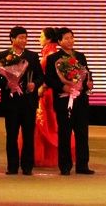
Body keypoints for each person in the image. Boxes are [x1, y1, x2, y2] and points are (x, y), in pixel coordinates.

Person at [0, 26, 44, 175]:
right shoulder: (2, 56)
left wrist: (35, 84)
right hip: (11, 102)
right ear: (12, 39)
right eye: (21, 37)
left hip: (28, 101)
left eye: (25, 37)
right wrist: (6, 84)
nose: (24, 40)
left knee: (28, 135)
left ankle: (27, 166)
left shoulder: (32, 56)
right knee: (12, 135)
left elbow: (41, 76)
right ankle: (12, 166)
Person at [45, 27, 93, 175]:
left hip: (80, 100)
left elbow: (86, 74)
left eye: (72, 37)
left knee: (82, 133)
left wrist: (88, 83)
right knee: (65, 133)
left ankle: (82, 165)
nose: (70, 40)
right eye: (66, 38)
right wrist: (63, 86)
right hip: (63, 101)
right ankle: (65, 166)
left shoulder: (80, 56)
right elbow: (49, 79)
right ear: (59, 41)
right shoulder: (53, 58)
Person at [34, 27, 67, 167]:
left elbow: (50, 76)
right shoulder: (48, 52)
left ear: (48, 39)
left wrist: (43, 86)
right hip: (45, 91)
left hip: (48, 92)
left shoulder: (51, 54)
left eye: (41, 36)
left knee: (48, 122)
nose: (39, 39)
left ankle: (47, 155)